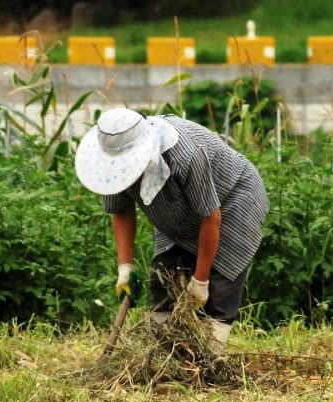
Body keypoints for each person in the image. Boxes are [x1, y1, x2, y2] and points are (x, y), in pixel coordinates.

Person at [75, 108, 269, 349]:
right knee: (163, 277)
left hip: (232, 201)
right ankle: (166, 356)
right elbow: (121, 211)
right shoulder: (112, 166)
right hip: (176, 211)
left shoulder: (186, 155)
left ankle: (210, 361)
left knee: (219, 288)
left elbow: (211, 217)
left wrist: (200, 281)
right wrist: (124, 269)